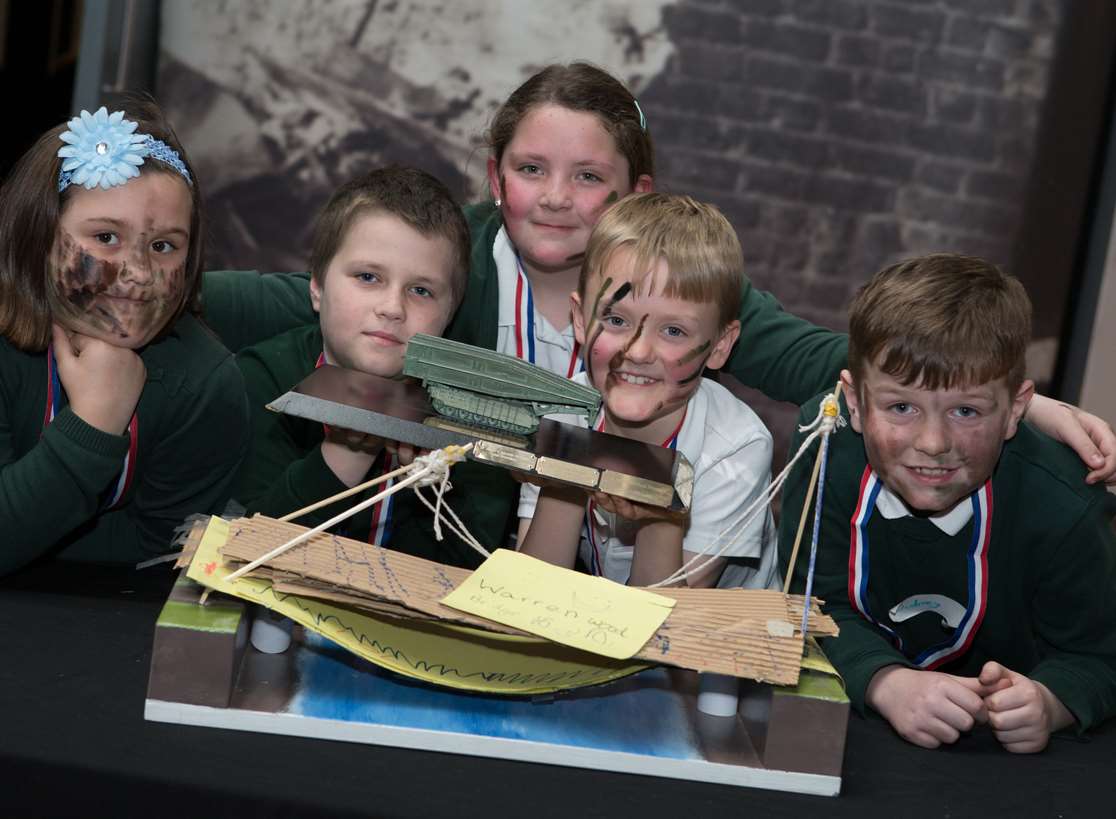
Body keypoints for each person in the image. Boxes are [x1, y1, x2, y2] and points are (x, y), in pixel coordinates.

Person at [200, 62, 1116, 489]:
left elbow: (818, 358)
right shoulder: (446, 265)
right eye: (530, 170)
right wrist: (155, 288)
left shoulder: (678, 289)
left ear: (637, 190)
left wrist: (1015, 403)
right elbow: (291, 299)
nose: (555, 200)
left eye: (588, 177)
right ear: (494, 178)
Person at [779, 254, 1116, 753]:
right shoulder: (824, 447)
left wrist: (1050, 703)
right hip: (844, 740)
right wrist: (886, 682)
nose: (933, 443)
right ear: (853, 402)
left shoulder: (1065, 504)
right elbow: (805, 604)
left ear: (1015, 410)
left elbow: (1098, 659)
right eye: (900, 407)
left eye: (965, 411)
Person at [0, 101, 248, 576]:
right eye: (106, 237)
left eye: (163, 246)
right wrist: (94, 423)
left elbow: (162, 551)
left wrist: (29, 532)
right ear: (39, 235)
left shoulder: (203, 383)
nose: (137, 274)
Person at [232, 167, 498, 565]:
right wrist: (348, 448)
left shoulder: (473, 416)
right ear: (317, 286)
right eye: (368, 277)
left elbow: (459, 566)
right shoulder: (260, 378)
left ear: (451, 313)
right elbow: (246, 549)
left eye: (421, 290)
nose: (392, 308)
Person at [518, 193, 779, 588]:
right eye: (616, 319)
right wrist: (564, 476)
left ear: (720, 345)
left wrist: (661, 515)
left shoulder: (735, 448)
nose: (637, 351)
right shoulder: (562, 411)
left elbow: (668, 626)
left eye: (674, 331)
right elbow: (528, 589)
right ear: (578, 319)